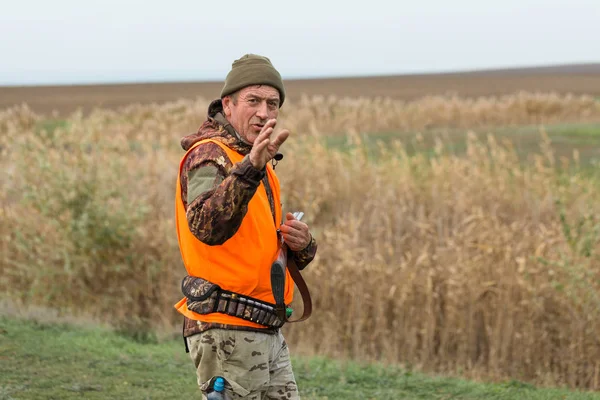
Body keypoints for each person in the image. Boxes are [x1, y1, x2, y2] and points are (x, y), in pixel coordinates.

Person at [174, 54, 318, 400]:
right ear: (228, 103)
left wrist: (302, 244)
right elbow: (206, 225)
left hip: (265, 327)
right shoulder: (209, 155)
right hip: (226, 328)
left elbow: (256, 245)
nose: (264, 113)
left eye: (273, 104)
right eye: (253, 101)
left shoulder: (259, 160)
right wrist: (251, 167)